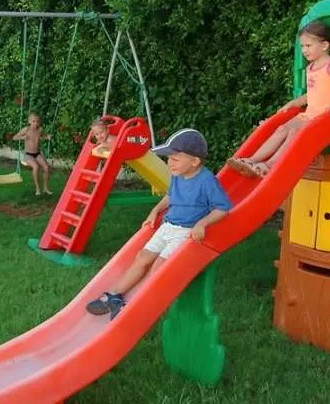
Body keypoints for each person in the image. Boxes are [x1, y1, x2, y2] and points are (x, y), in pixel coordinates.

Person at [85, 128, 232, 320]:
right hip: (167, 226)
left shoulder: (206, 181)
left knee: (158, 266)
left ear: (194, 161)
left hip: (185, 231)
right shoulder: (178, 175)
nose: (169, 163)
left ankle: (135, 303)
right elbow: (171, 196)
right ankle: (114, 295)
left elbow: (222, 208)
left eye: (175, 159)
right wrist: (155, 210)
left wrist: (202, 223)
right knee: (142, 257)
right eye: (169, 158)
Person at [226, 20, 330, 178]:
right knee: (282, 129)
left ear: (324, 45)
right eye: (302, 46)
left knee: (294, 133)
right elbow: (312, 94)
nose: (304, 50)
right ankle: (251, 161)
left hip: (325, 118)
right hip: (309, 115)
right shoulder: (310, 68)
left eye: (308, 45)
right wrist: (293, 103)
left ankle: (268, 166)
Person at [13, 113, 52, 196]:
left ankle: (45, 188)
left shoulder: (40, 130)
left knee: (46, 167)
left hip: (37, 153)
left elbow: (41, 137)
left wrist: (47, 137)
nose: (36, 123)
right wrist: (22, 137)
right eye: (33, 121)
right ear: (29, 122)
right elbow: (14, 137)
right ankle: (37, 189)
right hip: (28, 154)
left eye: (37, 121)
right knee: (36, 167)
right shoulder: (26, 130)